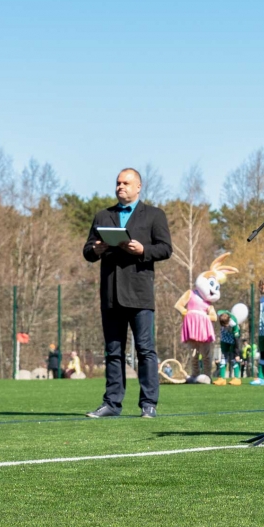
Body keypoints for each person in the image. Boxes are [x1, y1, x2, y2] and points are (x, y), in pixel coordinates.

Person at [82, 168, 172, 418]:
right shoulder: (103, 215)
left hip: (140, 293)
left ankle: (148, 404)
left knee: (145, 349)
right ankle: (111, 403)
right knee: (113, 351)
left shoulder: (154, 215)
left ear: (138, 187)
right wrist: (96, 250)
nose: (120, 187)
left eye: (125, 183)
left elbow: (165, 249)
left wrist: (143, 250)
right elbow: (87, 251)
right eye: (117, 183)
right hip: (111, 294)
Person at [216, 310, 243, 386]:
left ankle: (237, 378)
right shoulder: (220, 314)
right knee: (223, 357)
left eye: (225, 325)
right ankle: (222, 378)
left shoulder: (234, 324)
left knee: (233, 359)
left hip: (232, 340)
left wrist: (237, 354)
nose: (224, 326)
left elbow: (237, 340)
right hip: (224, 339)